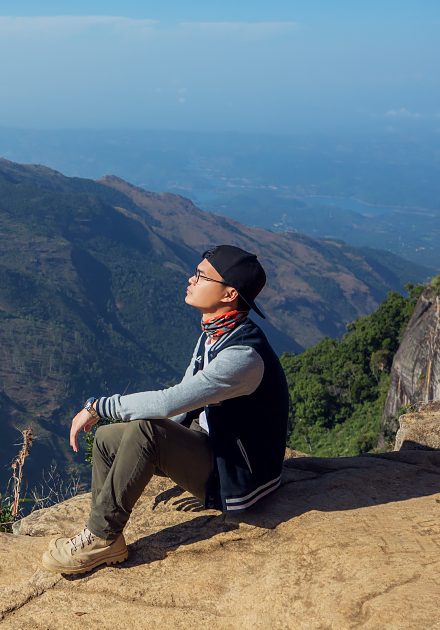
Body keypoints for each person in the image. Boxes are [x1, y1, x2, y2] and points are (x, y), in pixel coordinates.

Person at [42, 244, 290, 574]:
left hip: (238, 473)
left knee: (145, 429)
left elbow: (168, 402)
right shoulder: (215, 334)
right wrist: (154, 447)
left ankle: (100, 538)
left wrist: (100, 406)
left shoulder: (242, 357)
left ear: (230, 294)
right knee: (107, 439)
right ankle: (105, 533)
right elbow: (179, 407)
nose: (191, 279)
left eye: (201, 276)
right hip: (212, 442)